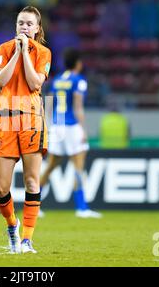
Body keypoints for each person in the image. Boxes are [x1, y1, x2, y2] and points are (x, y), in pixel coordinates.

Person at [0, 6, 51, 254]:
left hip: (30, 119)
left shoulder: (43, 52)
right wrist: (17, 52)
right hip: (6, 119)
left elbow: (35, 82)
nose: (24, 27)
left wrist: (26, 53)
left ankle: (27, 239)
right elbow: (1, 81)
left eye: (29, 24)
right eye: (20, 23)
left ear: (37, 28)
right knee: (0, 188)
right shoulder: (4, 49)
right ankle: (12, 226)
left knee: (31, 180)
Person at [40, 48, 102, 219]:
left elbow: (49, 104)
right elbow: (78, 107)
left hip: (57, 127)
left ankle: (35, 205)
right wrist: (83, 129)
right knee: (78, 167)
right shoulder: (79, 80)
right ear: (78, 63)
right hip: (72, 127)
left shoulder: (57, 80)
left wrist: (47, 125)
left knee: (50, 167)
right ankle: (82, 208)